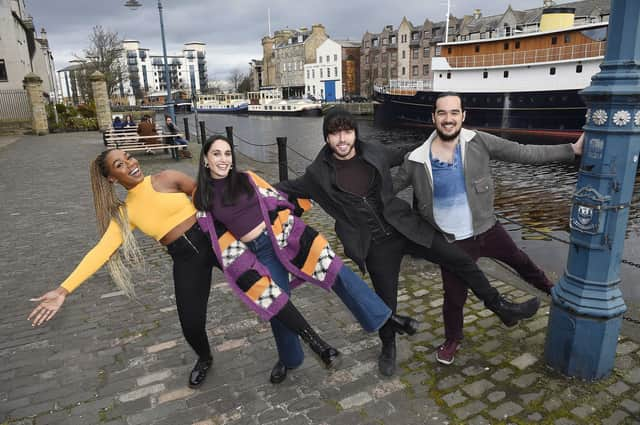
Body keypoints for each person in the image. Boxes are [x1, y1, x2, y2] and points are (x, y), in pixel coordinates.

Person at [27, 149, 346, 388]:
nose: (130, 163)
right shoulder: (125, 214)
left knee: (266, 292)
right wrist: (63, 289)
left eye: (128, 157)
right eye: (120, 164)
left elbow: (212, 196)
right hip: (185, 259)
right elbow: (101, 251)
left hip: (217, 241)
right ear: (112, 178)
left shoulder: (165, 178)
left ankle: (319, 346)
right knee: (190, 322)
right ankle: (204, 357)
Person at [276, 107, 540, 377]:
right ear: (327, 138)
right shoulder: (317, 174)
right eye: (334, 134)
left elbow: (412, 149)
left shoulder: (374, 152)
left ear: (354, 133)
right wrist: (243, 188)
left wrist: (445, 133)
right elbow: (285, 188)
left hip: (405, 228)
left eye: (347, 131)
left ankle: (501, 307)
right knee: (385, 302)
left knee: (459, 259)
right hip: (375, 245)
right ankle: (388, 347)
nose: (342, 139)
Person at [193, 135, 418, 384]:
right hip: (257, 255)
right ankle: (289, 359)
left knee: (335, 269)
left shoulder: (246, 178)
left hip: (283, 236)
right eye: (216, 154)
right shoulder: (202, 198)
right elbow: (214, 237)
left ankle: (389, 319)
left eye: (227, 153)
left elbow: (275, 198)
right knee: (277, 305)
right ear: (205, 159)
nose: (223, 159)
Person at [393, 92, 584, 365]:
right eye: (442, 113)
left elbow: (523, 152)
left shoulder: (477, 141)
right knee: (454, 297)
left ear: (463, 116)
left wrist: (571, 150)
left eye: (454, 113)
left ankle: (552, 291)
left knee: (520, 260)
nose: (448, 119)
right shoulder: (416, 159)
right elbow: (388, 190)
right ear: (433, 117)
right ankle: (452, 340)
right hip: (451, 241)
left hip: (486, 228)